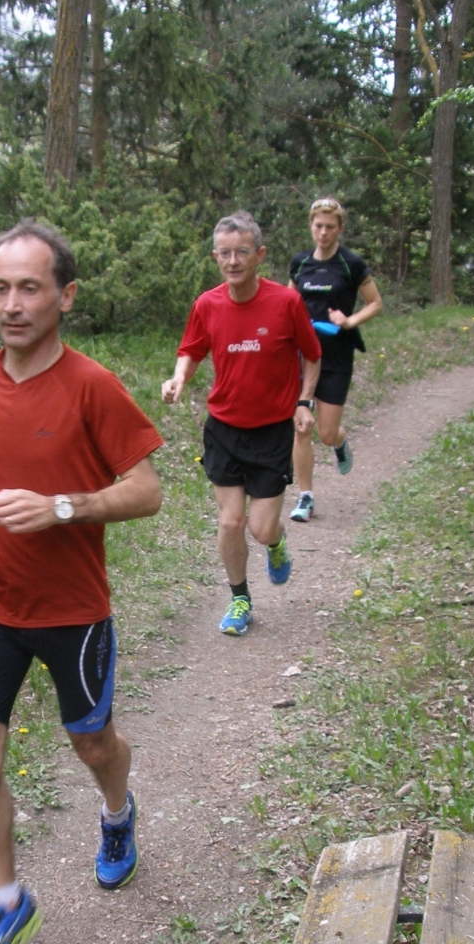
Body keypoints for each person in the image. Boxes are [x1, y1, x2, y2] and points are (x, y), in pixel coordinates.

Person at [0, 220, 163, 944]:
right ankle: (5, 901)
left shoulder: (93, 386)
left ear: (65, 295)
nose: (12, 303)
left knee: (93, 744)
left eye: (30, 287)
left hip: (72, 609)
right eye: (1, 287)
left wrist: (64, 507)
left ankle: (118, 814)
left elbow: (147, 491)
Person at [161, 211, 321, 637]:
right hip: (224, 429)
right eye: (225, 253)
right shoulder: (207, 304)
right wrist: (179, 378)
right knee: (231, 522)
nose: (233, 261)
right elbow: (191, 350)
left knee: (261, 526)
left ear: (259, 255)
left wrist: (304, 402)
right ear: (216, 256)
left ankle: (276, 541)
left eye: (242, 252)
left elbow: (313, 354)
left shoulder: (285, 303)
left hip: (271, 431)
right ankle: (240, 599)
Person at [287, 197, 382, 523]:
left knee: (325, 433)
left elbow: (375, 304)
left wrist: (349, 321)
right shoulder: (300, 264)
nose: (323, 232)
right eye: (318, 226)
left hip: (336, 356)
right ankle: (305, 497)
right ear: (311, 227)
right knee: (301, 428)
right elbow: (288, 303)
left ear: (340, 229)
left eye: (330, 227)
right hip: (302, 356)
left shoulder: (351, 264)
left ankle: (340, 441)